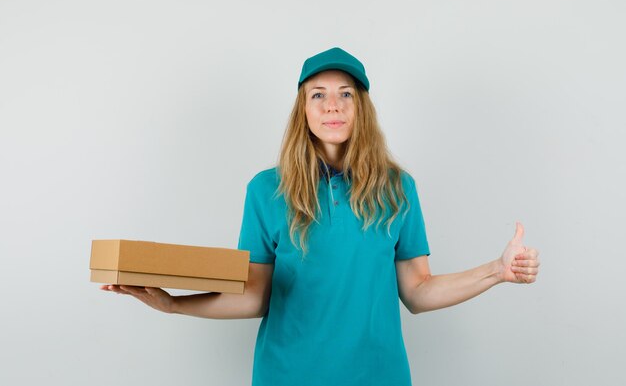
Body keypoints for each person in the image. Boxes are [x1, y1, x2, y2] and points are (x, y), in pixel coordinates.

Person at [102, 47, 540, 386]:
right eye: (319, 95)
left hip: (377, 376)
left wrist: (498, 271)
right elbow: (254, 297)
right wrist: (172, 304)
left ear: (360, 108)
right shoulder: (266, 190)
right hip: (287, 376)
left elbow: (418, 293)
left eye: (345, 94)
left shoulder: (397, 188)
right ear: (304, 110)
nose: (333, 105)